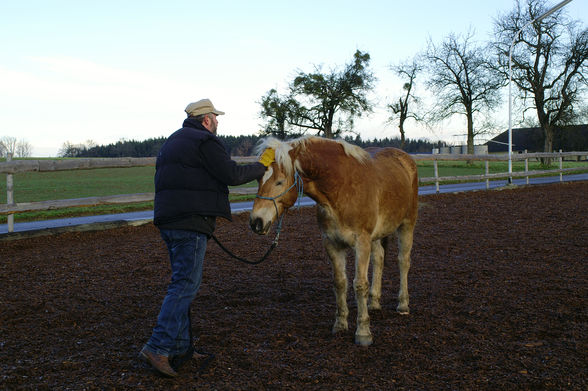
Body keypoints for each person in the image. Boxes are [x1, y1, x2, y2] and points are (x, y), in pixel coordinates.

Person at [140, 99, 274, 377]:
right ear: (206, 120)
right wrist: (261, 166)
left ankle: (181, 348)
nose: (218, 122)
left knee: (182, 283)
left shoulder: (173, 141)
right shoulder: (205, 141)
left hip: (170, 221)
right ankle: (158, 346)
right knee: (184, 286)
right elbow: (231, 174)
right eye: (215, 117)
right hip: (191, 221)